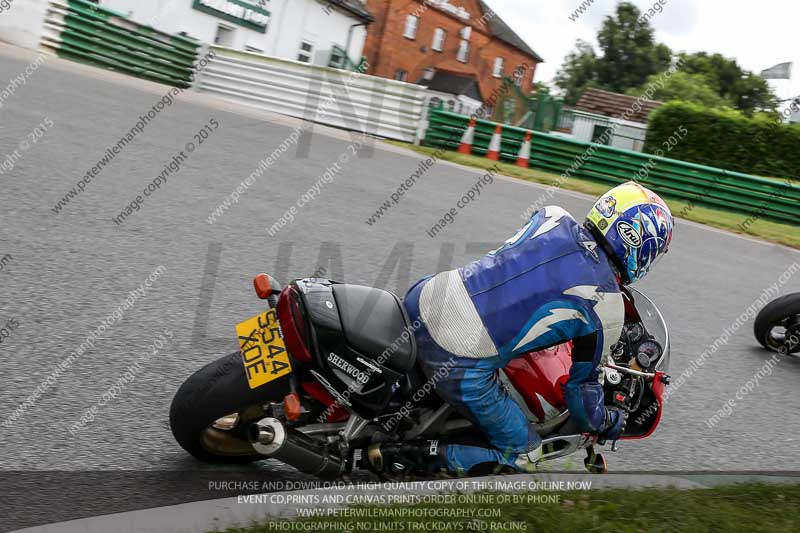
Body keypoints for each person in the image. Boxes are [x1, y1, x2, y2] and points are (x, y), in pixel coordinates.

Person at [368, 181, 674, 476]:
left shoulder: (553, 215)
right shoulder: (605, 304)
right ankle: (401, 457)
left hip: (428, 293)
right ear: (642, 248)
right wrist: (607, 421)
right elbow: (580, 396)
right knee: (523, 453)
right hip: (455, 355)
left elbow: (529, 272)